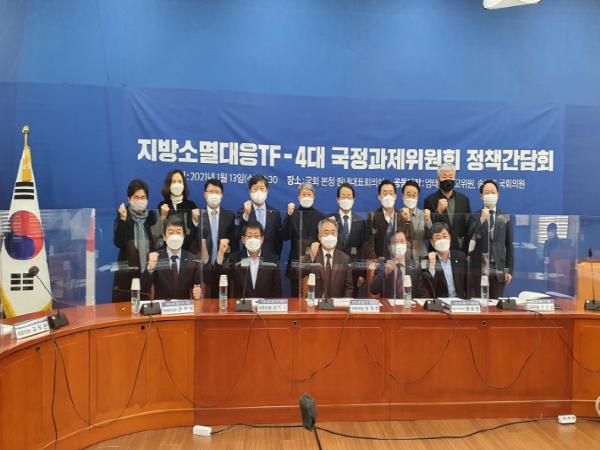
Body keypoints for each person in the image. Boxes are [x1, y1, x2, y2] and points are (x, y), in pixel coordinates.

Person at [112, 179, 159, 302]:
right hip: (126, 276)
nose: (140, 201)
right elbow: (118, 242)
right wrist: (122, 219)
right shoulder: (124, 214)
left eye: (143, 197)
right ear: (129, 199)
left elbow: (156, 242)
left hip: (146, 275)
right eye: (136, 197)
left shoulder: (151, 216)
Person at [466, 180, 514, 299]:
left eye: (493, 192)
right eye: (487, 192)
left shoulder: (505, 216)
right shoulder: (474, 216)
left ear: (498, 195)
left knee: (496, 304)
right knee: (479, 301)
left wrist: (508, 270)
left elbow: (509, 246)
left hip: (498, 269)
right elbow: (470, 238)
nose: (490, 195)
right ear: (481, 196)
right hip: (479, 268)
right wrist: (482, 220)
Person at [215, 222, 282, 298]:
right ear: (243, 239)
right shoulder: (234, 259)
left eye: (256, 236)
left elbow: (277, 290)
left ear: (262, 239)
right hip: (242, 304)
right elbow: (220, 279)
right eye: (249, 236)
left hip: (264, 304)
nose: (253, 239)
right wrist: (220, 253)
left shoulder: (272, 259)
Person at [142, 216, 202, 300]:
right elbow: (144, 288)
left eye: (178, 232)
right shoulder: (156, 257)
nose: (174, 236)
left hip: (183, 306)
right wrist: (150, 268)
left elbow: (196, 287)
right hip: (161, 306)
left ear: (183, 236)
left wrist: (197, 292)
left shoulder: (192, 259)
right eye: (170, 232)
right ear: (164, 237)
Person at [283, 182, 325, 297]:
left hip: (314, 264)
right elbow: (285, 236)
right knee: (296, 299)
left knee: (314, 299)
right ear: (298, 196)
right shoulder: (293, 214)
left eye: (309, 194)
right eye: (303, 194)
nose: (306, 197)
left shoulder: (320, 216)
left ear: (314, 196)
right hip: (296, 264)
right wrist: (288, 216)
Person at [198, 178, 237, 297]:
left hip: (224, 269)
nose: (214, 195)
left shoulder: (229, 216)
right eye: (211, 192)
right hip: (203, 269)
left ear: (222, 195)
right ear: (205, 194)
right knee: (204, 304)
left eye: (217, 192)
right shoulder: (198, 216)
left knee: (223, 302)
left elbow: (234, 245)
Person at [330, 183, 368, 297]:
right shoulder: (330, 220)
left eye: (349, 196)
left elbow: (363, 249)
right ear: (337, 199)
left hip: (354, 271)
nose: (346, 199)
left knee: (351, 302)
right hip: (334, 270)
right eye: (343, 196)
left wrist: (362, 274)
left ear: (353, 199)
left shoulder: (360, 221)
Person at [423, 163, 471, 252]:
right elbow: (429, 229)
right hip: (438, 248)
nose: (448, 179)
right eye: (444, 177)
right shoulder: (430, 200)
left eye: (451, 177)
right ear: (438, 179)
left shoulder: (464, 199)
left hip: (459, 249)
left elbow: (469, 224)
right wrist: (438, 211)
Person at [303, 218, 353, 298]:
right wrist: (311, 258)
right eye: (326, 233)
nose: (330, 236)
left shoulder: (345, 258)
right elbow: (299, 274)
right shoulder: (313, 253)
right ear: (319, 236)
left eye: (333, 233)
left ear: (337, 235)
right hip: (315, 302)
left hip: (337, 303)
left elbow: (349, 288)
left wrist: (343, 303)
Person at [364, 179, 414, 260]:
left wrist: (408, 220)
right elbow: (369, 244)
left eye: (391, 193)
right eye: (385, 193)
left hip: (399, 261)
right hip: (380, 262)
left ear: (395, 196)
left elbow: (410, 239)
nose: (388, 196)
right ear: (379, 197)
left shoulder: (402, 215)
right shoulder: (373, 216)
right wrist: (377, 263)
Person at [237, 174, 283, 258]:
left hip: (269, 258)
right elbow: (236, 235)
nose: (259, 192)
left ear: (267, 191)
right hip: (248, 257)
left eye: (262, 188)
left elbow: (278, 240)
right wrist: (246, 215)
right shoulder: (242, 212)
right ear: (250, 191)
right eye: (255, 188)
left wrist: (276, 258)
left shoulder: (275, 213)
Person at [370, 231, 424, 300]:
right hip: (389, 305)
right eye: (396, 242)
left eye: (402, 242)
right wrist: (385, 272)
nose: (399, 246)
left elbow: (420, 295)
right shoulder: (382, 263)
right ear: (389, 246)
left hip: (409, 305)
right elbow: (373, 290)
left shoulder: (414, 265)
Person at [156, 169, 199, 251]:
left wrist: (195, 221)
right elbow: (157, 233)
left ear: (184, 185)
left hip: (187, 249)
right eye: (174, 182)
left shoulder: (191, 205)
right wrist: (162, 217)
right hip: (167, 249)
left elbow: (195, 233)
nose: (177, 184)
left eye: (179, 181)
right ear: (169, 185)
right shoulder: (162, 205)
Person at [424, 222, 468, 299]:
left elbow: (469, 283)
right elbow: (429, 287)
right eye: (438, 238)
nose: (442, 240)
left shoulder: (460, 257)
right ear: (432, 242)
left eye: (445, 236)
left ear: (450, 238)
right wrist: (432, 267)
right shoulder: (427, 260)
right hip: (439, 302)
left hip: (459, 302)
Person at [401, 180, 432, 261]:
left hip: (421, 256)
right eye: (408, 195)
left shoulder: (424, 214)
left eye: (414, 195)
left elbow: (431, 236)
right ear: (402, 196)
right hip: (401, 256)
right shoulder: (397, 214)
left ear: (418, 197)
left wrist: (427, 220)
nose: (411, 198)